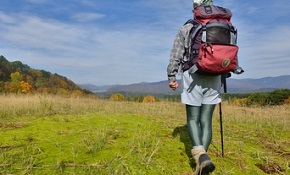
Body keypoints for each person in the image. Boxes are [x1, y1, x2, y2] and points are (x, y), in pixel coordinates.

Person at [167, 0, 218, 174]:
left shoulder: (187, 28)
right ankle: (203, 161)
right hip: (215, 77)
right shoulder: (222, 25)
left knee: (192, 119)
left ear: (194, 8)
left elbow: (176, 53)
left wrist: (172, 76)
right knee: (206, 121)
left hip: (193, 75)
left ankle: (200, 156)